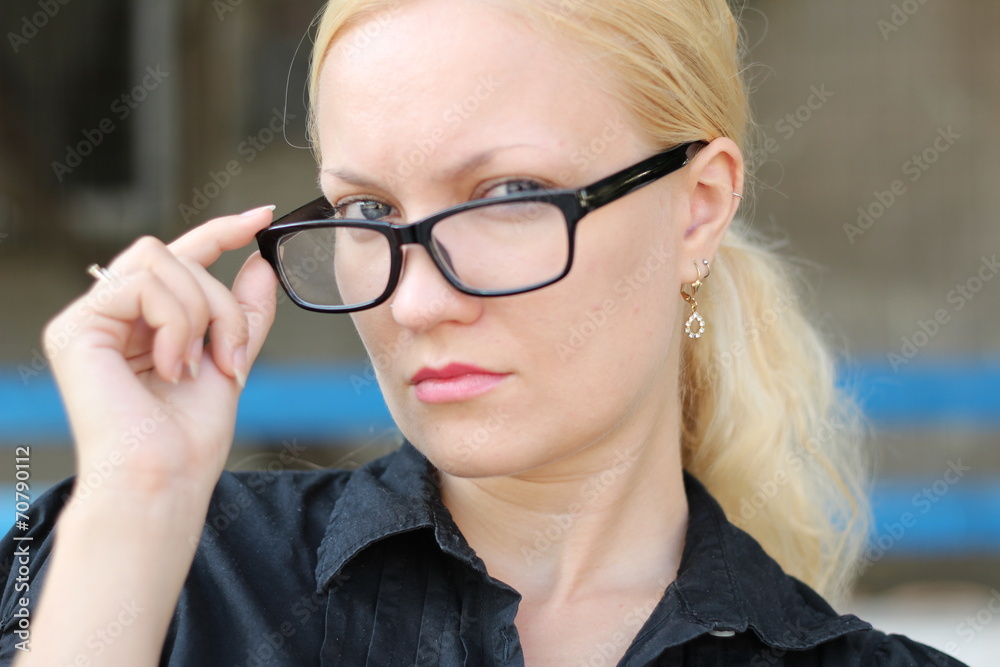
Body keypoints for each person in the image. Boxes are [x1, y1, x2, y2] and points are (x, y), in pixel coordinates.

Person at [0, 0, 968, 665]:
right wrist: (141, 500)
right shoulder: (161, 572)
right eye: (369, 211)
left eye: (508, 195)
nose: (415, 303)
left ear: (696, 208)